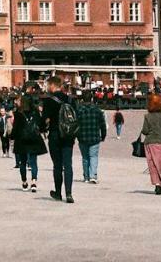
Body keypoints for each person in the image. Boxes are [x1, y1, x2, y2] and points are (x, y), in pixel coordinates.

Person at [41, 75, 77, 203]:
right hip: (68, 135)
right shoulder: (70, 100)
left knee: (57, 165)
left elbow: (43, 120)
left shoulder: (49, 101)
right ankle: (69, 193)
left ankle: (58, 192)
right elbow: (75, 117)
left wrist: (43, 128)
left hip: (55, 135)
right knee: (68, 164)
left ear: (52, 85)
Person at [12, 94, 47, 191]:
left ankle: (24, 182)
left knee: (22, 162)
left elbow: (15, 128)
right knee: (33, 162)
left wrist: (12, 137)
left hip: (21, 140)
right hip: (33, 139)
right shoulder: (35, 112)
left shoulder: (18, 113)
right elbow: (41, 125)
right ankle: (34, 182)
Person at [76, 99, 107, 183]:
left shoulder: (79, 111)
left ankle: (86, 176)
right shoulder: (97, 111)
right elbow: (103, 124)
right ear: (92, 99)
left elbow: (76, 125)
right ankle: (93, 175)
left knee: (85, 157)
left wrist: (77, 136)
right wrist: (103, 135)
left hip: (82, 137)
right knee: (93, 156)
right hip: (94, 137)